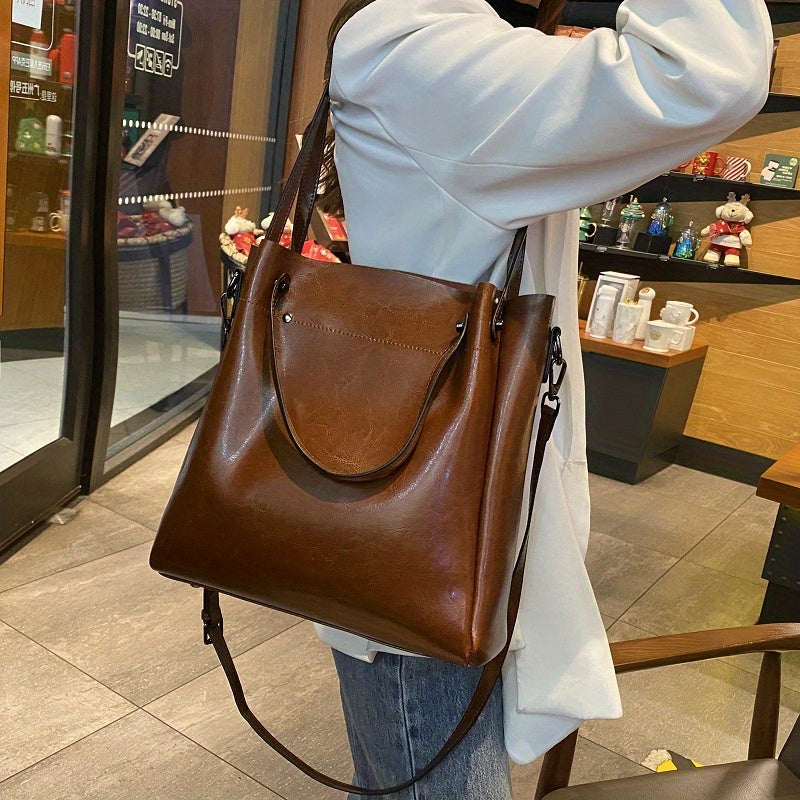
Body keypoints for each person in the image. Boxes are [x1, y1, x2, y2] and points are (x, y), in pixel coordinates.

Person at [315, 0, 773, 797]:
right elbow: (704, 74)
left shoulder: (438, 47)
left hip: (441, 514)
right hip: (427, 545)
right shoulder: (419, 48)